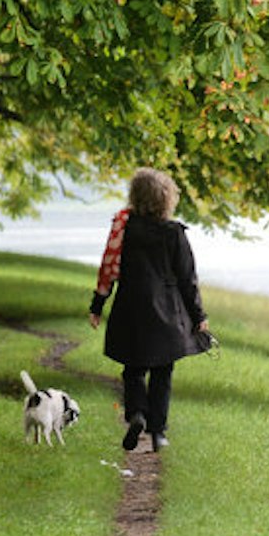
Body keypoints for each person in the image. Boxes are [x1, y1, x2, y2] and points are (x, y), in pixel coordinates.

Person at [88, 167, 209, 453]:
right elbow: (187, 278)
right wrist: (199, 316)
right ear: (167, 198)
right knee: (163, 371)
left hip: (130, 308)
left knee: (133, 368)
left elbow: (108, 268)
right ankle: (158, 432)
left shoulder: (123, 228)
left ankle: (137, 413)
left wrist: (97, 306)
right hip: (167, 312)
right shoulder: (174, 233)